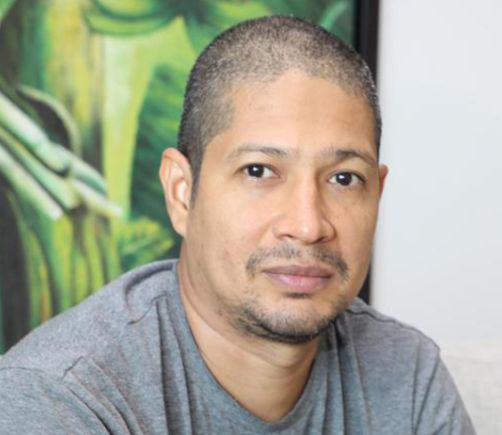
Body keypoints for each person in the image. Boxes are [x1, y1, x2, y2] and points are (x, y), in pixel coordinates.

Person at [0, 16, 475, 434]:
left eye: (344, 179)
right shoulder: (60, 399)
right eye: (259, 171)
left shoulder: (406, 375)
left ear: (378, 194)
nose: (308, 225)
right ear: (182, 192)